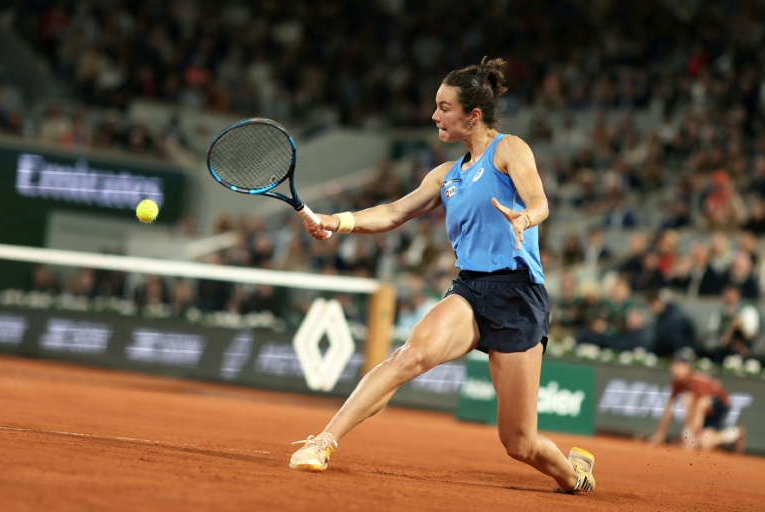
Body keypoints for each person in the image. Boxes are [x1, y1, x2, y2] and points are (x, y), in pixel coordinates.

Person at [289, 57, 595, 494]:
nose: (435, 115)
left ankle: (574, 475)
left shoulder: (509, 149)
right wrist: (335, 221)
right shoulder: (445, 176)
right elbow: (393, 212)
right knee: (407, 357)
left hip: (518, 296)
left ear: (473, 116)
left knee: (519, 443)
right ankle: (323, 441)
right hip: (470, 289)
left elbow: (540, 201)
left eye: (444, 107)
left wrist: (526, 218)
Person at [650, 349, 744, 452]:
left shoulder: (696, 381)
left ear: (688, 367)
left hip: (719, 406)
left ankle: (735, 433)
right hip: (704, 412)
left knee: (689, 399)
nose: (675, 368)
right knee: (705, 442)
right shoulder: (677, 382)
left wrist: (693, 439)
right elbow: (669, 407)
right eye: (675, 364)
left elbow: (701, 406)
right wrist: (661, 432)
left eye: (680, 364)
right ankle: (733, 434)